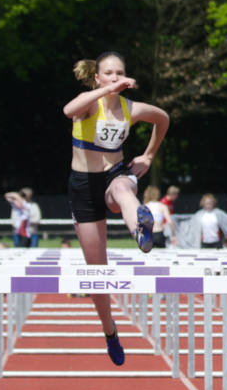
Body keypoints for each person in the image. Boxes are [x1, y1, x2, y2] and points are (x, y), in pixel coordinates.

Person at [65, 51, 169, 366]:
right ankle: (109, 330)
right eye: (108, 73)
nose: (115, 77)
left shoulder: (131, 108)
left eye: (119, 73)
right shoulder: (88, 105)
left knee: (123, 188)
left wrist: (149, 155)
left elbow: (163, 118)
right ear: (97, 77)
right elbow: (68, 109)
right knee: (97, 273)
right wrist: (106, 91)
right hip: (83, 187)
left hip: (114, 175)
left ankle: (140, 228)